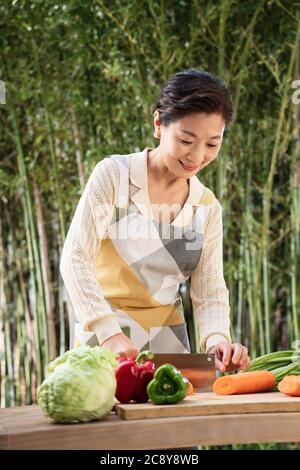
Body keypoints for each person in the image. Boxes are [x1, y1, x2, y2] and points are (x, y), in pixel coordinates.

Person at [60, 68, 250, 373]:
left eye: (212, 144)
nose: (197, 156)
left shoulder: (207, 207)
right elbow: (75, 258)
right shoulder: (114, 176)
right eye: (186, 140)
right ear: (158, 124)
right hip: (104, 341)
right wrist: (109, 335)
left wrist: (217, 343)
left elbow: (210, 290)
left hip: (170, 345)